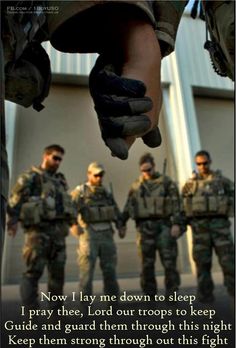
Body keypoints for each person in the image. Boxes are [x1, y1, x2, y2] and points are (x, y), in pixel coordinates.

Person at [6, 144, 76, 308]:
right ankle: (31, 313)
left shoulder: (60, 180)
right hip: (37, 234)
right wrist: (13, 221)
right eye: (55, 158)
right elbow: (15, 200)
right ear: (46, 156)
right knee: (32, 273)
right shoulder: (30, 177)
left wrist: (73, 223)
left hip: (58, 235)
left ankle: (56, 314)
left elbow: (66, 204)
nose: (58, 162)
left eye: (60, 159)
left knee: (57, 276)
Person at [121, 153, 186, 298]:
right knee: (146, 265)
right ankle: (149, 295)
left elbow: (177, 204)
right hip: (144, 229)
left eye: (149, 170)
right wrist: (122, 223)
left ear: (154, 167)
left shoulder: (166, 183)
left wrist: (176, 224)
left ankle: (172, 294)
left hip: (163, 226)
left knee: (169, 263)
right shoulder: (136, 186)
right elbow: (128, 206)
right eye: (143, 171)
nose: (146, 173)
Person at [182, 150, 234, 303]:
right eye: (199, 164)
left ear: (210, 162)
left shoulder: (222, 181)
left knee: (230, 265)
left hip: (221, 229)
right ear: (196, 164)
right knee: (202, 269)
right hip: (200, 231)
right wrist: (179, 225)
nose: (202, 166)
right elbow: (182, 206)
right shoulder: (190, 185)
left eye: (205, 163)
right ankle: (207, 309)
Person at [70, 162, 125, 298]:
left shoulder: (106, 192)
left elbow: (115, 211)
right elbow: (69, 209)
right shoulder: (81, 191)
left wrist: (120, 226)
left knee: (110, 273)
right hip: (89, 236)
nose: (99, 178)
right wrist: (73, 224)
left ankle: (113, 307)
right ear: (89, 174)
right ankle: (85, 309)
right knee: (86, 274)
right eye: (96, 175)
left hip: (107, 235)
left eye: (101, 175)